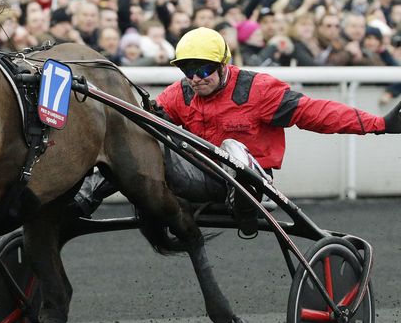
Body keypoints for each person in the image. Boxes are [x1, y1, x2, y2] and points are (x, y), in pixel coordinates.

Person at [72, 27, 401, 237]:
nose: (196, 78)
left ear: (223, 65)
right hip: (198, 178)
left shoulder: (259, 90)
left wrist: (379, 125)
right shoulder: (179, 94)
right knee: (132, 142)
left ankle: (241, 198)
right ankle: (81, 202)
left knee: (233, 147)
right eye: (188, 70)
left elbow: (316, 113)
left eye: (203, 69)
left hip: (248, 179)